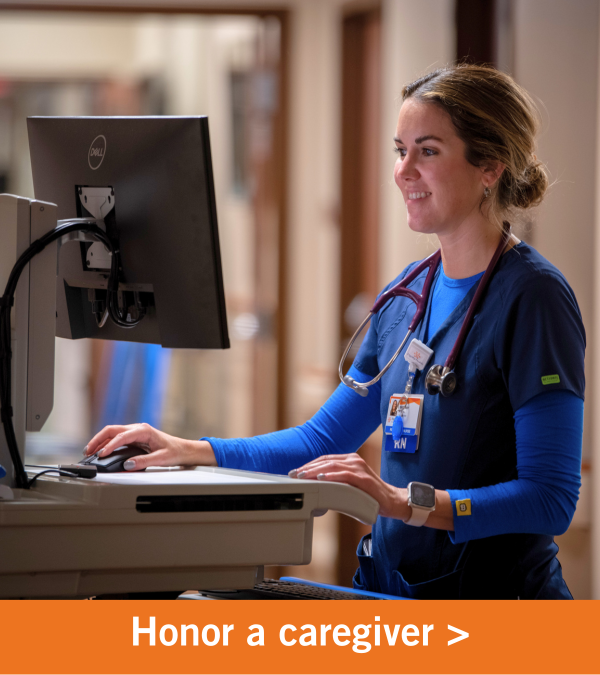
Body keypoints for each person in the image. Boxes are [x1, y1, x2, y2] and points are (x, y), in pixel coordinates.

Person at [85, 64, 585, 599]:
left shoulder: (534, 298)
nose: (403, 171)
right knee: (155, 600)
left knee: (185, 608)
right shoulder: (405, 298)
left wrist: (401, 502)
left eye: (428, 151)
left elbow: (549, 499)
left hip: (492, 611)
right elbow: (319, 441)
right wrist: (188, 448)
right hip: (393, 592)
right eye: (400, 150)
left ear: (489, 166)